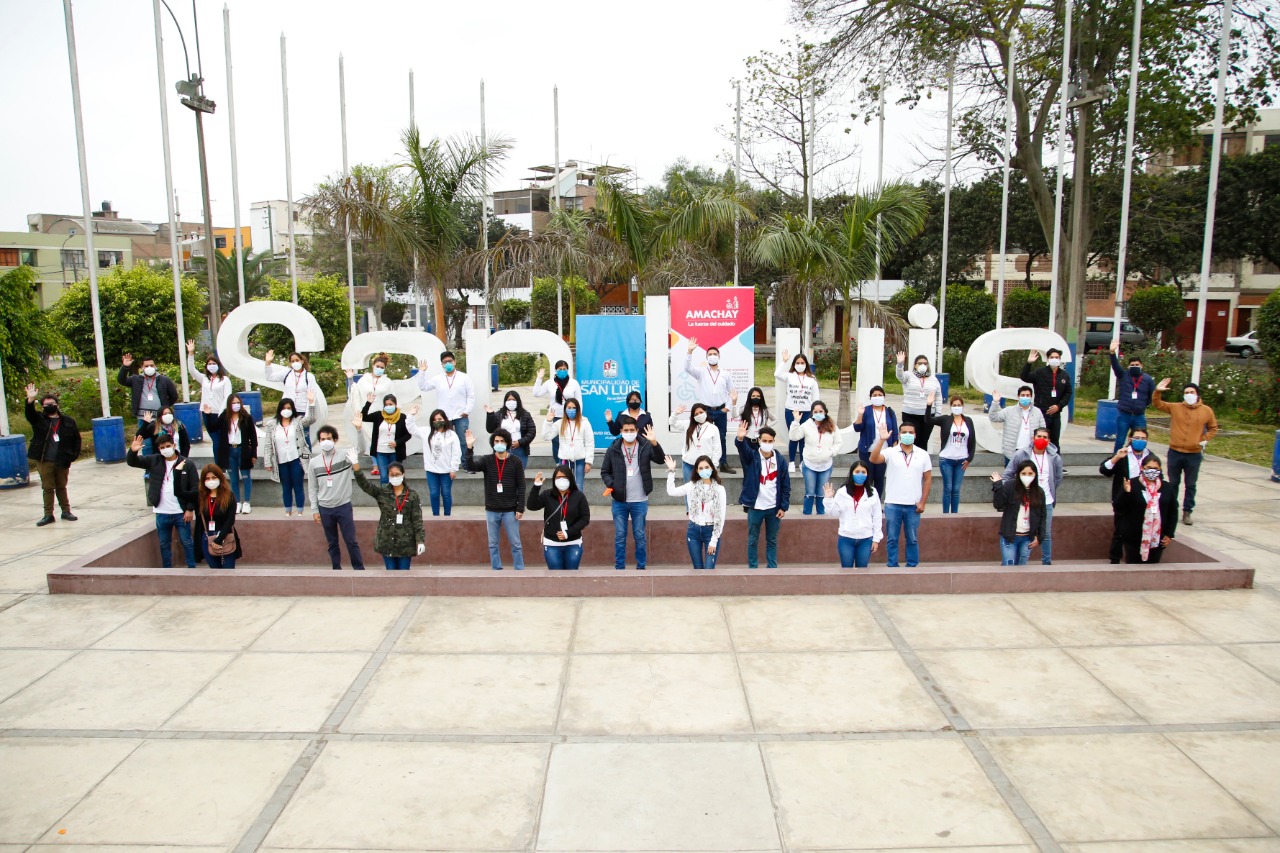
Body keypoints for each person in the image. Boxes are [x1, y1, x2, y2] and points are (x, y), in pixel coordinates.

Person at [600, 416, 668, 571]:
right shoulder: (613, 448)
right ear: (621, 431)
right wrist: (612, 484)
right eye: (626, 430)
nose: (629, 433)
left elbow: (660, 459)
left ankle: (641, 567)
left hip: (640, 500)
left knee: (639, 535)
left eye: (632, 430)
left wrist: (654, 442)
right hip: (619, 501)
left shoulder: (645, 446)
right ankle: (619, 567)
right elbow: (605, 471)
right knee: (620, 536)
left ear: (637, 430)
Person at [126, 431, 198, 568]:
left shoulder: (187, 463)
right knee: (164, 543)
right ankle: (167, 569)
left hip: (180, 512)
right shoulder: (155, 460)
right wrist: (133, 451)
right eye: (162, 448)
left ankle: (191, 567)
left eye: (167, 446)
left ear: (174, 445)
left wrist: (190, 508)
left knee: (186, 541)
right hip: (162, 511)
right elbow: (132, 462)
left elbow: (194, 487)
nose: (165, 449)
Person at [1153, 378, 1219, 526]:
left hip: (1194, 454)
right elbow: (1158, 404)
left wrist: (1204, 439)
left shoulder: (1206, 411)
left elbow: (1213, 427)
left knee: (1190, 484)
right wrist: (1157, 391)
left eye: (1192, 392)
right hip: (1175, 452)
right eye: (1186, 392)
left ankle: (1187, 511)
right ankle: (1171, 509)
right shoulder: (1176, 407)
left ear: (1198, 395)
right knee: (1173, 483)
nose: (1189, 395)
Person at [870, 421, 932, 568]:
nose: (907, 435)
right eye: (904, 432)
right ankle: (892, 565)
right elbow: (873, 458)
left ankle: (912, 566)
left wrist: (923, 502)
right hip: (893, 503)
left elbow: (928, 479)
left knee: (912, 538)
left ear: (915, 435)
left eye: (911, 432)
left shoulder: (922, 454)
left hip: (913, 505)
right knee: (892, 538)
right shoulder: (891, 452)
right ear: (899, 434)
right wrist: (882, 440)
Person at [464, 427, 526, 570]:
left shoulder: (516, 461)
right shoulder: (487, 460)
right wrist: (469, 448)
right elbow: (470, 466)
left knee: (516, 543)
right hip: (492, 509)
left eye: (502, 441)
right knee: (492, 544)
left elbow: (521, 486)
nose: (499, 443)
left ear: (507, 443)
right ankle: (496, 569)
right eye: (496, 441)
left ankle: (519, 569)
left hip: (510, 510)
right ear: (493, 443)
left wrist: (520, 506)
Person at [307, 424, 365, 571]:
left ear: (335, 440)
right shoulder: (314, 463)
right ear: (319, 442)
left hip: (343, 506)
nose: (325, 441)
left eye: (328, 438)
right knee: (332, 543)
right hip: (325, 508)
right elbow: (312, 488)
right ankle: (336, 569)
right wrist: (314, 509)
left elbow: (361, 450)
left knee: (351, 541)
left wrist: (359, 431)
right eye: (322, 439)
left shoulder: (344, 456)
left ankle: (359, 569)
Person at [1001, 427, 1063, 565]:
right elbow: (1007, 474)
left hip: (1045, 500)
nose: (1041, 439)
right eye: (1039, 436)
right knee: (1020, 530)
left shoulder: (1054, 457)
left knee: (1045, 533)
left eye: (1045, 437)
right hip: (1022, 500)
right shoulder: (1021, 454)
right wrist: (1012, 492)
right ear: (1032, 438)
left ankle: (1046, 562)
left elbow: (1058, 478)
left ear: (1049, 440)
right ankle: (1015, 560)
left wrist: (1048, 491)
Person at [353, 455, 426, 570]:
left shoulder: (412, 495)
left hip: (405, 543)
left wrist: (420, 540)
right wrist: (356, 467)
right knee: (390, 574)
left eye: (397, 474)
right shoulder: (382, 493)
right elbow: (365, 485)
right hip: (387, 541)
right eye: (392, 475)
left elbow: (417, 520)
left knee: (403, 574)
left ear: (403, 474)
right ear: (388, 476)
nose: (395, 477)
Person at [24, 384, 81, 527]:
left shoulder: (68, 421)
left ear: (57, 405)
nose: (49, 406)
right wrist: (30, 400)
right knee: (48, 488)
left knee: (62, 486)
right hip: (44, 460)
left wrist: (72, 456)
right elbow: (29, 414)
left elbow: (77, 439)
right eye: (45, 404)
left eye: (51, 404)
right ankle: (48, 514)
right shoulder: (39, 419)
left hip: (62, 460)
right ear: (42, 407)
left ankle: (66, 511)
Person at [735, 424, 790, 569]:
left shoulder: (779, 459)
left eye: (770, 441)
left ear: (773, 441)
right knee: (752, 539)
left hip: (773, 508)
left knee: (772, 540)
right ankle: (753, 567)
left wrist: (783, 506)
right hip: (756, 507)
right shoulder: (752, 457)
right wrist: (740, 439)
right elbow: (742, 449)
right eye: (764, 441)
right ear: (759, 440)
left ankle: (772, 567)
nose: (767, 444)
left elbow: (785, 484)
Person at [1099, 427, 1155, 563]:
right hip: (1124, 498)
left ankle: (1140, 558)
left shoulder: (1150, 456)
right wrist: (1116, 457)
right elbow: (1104, 470)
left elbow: (1158, 476)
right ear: (1130, 439)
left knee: (1141, 529)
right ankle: (1115, 559)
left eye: (1143, 439)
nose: (1139, 441)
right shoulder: (1123, 454)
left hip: (1143, 499)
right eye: (1136, 438)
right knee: (1120, 530)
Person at [665, 454, 727, 570]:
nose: (704, 470)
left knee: (709, 569)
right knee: (698, 569)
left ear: (712, 468)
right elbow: (671, 491)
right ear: (697, 471)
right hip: (694, 530)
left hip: (711, 531)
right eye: (701, 468)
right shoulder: (691, 486)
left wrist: (714, 540)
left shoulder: (719, 490)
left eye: (707, 467)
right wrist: (671, 471)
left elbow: (721, 516)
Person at [683, 336, 736, 472]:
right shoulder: (701, 372)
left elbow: (732, 392)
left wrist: (727, 408)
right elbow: (687, 368)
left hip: (720, 410)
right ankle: (702, 463)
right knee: (702, 437)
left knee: (722, 437)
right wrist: (690, 351)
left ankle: (723, 463)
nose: (712, 356)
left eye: (715, 354)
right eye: (710, 354)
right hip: (705, 411)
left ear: (719, 356)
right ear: (706, 357)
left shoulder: (725, 374)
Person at [527, 464, 591, 570]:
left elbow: (585, 518)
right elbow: (532, 506)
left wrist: (568, 532)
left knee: (571, 574)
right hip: (552, 543)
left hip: (573, 542)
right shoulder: (547, 495)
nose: (561, 480)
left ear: (570, 479)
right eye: (558, 477)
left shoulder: (579, 496)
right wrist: (536, 487)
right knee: (555, 575)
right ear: (554, 480)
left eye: (564, 477)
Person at [1115, 455, 1179, 564]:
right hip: (1134, 538)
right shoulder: (1132, 484)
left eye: (1156, 469)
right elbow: (1119, 508)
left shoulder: (1166, 487)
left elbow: (1173, 511)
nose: (1152, 471)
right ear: (1142, 468)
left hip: (1157, 539)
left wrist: (1169, 533)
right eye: (1149, 468)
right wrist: (1126, 493)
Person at [202, 393, 258, 514]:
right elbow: (212, 428)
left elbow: (253, 437)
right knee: (233, 479)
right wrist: (207, 415)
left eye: (238, 403)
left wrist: (253, 454)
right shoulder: (224, 417)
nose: (236, 405)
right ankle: (237, 502)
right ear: (229, 404)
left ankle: (247, 502)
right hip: (229, 450)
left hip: (242, 450)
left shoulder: (246, 417)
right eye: (233, 403)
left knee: (246, 476)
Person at [262, 393, 317, 517]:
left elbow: (312, 418)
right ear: (279, 409)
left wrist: (312, 402)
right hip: (281, 461)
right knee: (286, 486)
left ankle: (300, 511)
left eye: (289, 408)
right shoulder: (272, 425)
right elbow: (268, 445)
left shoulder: (297, 422)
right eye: (284, 408)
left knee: (298, 485)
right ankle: (287, 511)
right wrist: (268, 462)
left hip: (296, 459)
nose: (286, 411)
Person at [822, 462, 883, 569]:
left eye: (863, 472)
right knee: (846, 569)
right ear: (851, 473)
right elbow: (832, 512)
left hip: (866, 538)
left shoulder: (873, 492)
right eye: (857, 472)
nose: (860, 474)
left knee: (862, 570)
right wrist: (828, 499)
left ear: (867, 474)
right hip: (846, 538)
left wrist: (876, 539)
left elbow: (877, 516)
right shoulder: (842, 492)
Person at [990, 461, 1047, 566]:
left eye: (1030, 474)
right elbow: (998, 505)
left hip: (1027, 538)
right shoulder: (1010, 486)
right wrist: (998, 486)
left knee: (1021, 567)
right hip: (1010, 536)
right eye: (1023, 473)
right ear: (1018, 474)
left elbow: (1043, 516)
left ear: (1035, 475)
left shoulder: (1039, 492)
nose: (1027, 476)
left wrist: (1040, 536)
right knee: (1009, 565)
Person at [417, 351, 476, 452]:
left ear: (454, 362)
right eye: (445, 362)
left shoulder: (464, 377)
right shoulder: (438, 379)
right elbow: (423, 387)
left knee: (463, 441)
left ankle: (466, 465)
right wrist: (422, 372)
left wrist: (467, 411)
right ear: (442, 365)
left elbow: (471, 395)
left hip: (460, 415)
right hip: (444, 417)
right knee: (445, 442)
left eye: (450, 361)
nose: (448, 364)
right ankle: (448, 465)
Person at [788, 400, 839, 515]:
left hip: (825, 465)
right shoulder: (807, 425)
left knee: (822, 493)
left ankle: (821, 517)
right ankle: (807, 518)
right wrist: (796, 421)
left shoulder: (832, 425)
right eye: (815, 411)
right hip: (809, 464)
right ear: (812, 413)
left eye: (821, 411)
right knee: (810, 492)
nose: (818, 413)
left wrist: (831, 452)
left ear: (825, 412)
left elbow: (838, 442)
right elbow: (794, 436)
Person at [263, 350, 323, 447]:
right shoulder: (287, 373)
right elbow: (270, 377)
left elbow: (312, 396)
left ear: (302, 361)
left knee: (304, 439)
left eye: (297, 360)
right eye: (292, 361)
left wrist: (308, 414)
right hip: (288, 411)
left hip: (302, 412)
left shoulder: (309, 377)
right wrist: (268, 363)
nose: (295, 363)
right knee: (288, 438)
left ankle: (306, 460)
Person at [117, 354, 179, 447]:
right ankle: (149, 461)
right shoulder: (136, 379)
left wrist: (164, 407)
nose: (149, 367)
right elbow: (121, 380)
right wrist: (125, 366)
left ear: (155, 366)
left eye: (151, 365)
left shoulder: (164, 379)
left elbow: (174, 396)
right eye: (146, 366)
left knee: (162, 442)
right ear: (142, 367)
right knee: (147, 444)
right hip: (144, 418)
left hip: (160, 418)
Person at [408, 409, 461, 516]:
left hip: (447, 471)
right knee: (434, 494)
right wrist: (411, 415)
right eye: (435, 420)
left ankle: (447, 515)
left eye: (440, 419)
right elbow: (412, 429)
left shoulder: (452, 435)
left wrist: (453, 469)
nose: (437, 421)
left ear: (445, 419)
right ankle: (435, 516)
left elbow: (456, 452)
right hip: (431, 471)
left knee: (446, 493)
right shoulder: (426, 432)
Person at [187, 340, 233, 458]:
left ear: (218, 365)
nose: (212, 366)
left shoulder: (224, 380)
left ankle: (225, 463)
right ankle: (219, 466)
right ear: (207, 366)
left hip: (220, 413)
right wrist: (191, 354)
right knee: (215, 439)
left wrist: (222, 412)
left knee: (222, 439)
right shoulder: (204, 379)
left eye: (214, 364)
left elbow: (228, 397)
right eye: (209, 364)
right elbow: (192, 370)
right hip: (207, 413)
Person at [931, 393, 976, 513]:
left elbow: (972, 440)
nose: (957, 407)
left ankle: (955, 514)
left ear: (963, 406)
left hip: (962, 460)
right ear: (951, 406)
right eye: (954, 405)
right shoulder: (945, 419)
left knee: (956, 490)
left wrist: (969, 458)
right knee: (948, 488)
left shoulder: (968, 421)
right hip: (947, 459)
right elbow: (928, 420)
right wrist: (929, 405)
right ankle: (946, 514)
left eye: (959, 405)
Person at [1021, 348, 1073, 449]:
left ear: (1060, 359)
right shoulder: (1040, 372)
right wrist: (1028, 363)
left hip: (1056, 414)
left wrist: (1059, 406)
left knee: (1054, 442)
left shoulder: (1064, 375)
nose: (1054, 359)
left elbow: (1068, 392)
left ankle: (1054, 463)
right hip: (1041, 413)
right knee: (1039, 440)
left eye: (1056, 357)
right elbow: (1024, 377)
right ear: (1048, 359)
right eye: (1052, 357)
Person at [852, 386, 898, 499]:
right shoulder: (866, 410)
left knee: (879, 479)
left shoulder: (890, 412)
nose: (877, 397)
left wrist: (896, 450)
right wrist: (860, 415)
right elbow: (857, 428)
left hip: (883, 453)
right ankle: (864, 501)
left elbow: (895, 433)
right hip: (867, 452)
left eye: (880, 395)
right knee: (867, 478)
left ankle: (876, 503)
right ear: (870, 397)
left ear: (884, 397)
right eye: (874, 395)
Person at [1109, 341, 1156, 452]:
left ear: (1141, 366)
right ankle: (1116, 461)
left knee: (1139, 440)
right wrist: (1112, 352)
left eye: (1137, 365)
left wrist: (1142, 405)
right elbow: (1115, 365)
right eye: (1132, 365)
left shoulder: (1147, 379)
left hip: (1139, 416)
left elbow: (1151, 396)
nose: (1135, 366)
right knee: (1120, 440)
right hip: (1124, 414)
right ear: (1128, 366)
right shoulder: (1123, 375)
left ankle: (1137, 459)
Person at [346, 353, 395, 460]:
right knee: (369, 438)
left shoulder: (387, 382)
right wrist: (350, 379)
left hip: (381, 415)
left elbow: (393, 398)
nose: (379, 369)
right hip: (367, 413)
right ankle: (375, 463)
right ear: (373, 365)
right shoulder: (364, 380)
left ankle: (380, 462)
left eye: (382, 367)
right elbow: (355, 392)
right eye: (377, 366)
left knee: (380, 438)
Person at [361, 393, 418, 485]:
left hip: (395, 453)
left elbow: (408, 435)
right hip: (381, 452)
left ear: (395, 404)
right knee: (384, 477)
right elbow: (363, 417)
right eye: (386, 405)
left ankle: (398, 497)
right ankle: (385, 498)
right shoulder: (379, 415)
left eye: (390, 404)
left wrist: (397, 442)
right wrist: (368, 403)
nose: (388, 407)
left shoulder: (402, 417)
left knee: (396, 477)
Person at [776, 350, 819, 470]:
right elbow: (777, 374)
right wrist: (784, 361)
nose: (800, 364)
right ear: (794, 364)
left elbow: (816, 397)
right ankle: (791, 462)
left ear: (806, 364)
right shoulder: (789, 376)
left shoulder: (812, 379)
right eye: (798, 362)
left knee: (804, 437)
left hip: (806, 412)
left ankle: (802, 462)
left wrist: (815, 412)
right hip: (791, 411)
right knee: (793, 436)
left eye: (802, 362)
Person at [532, 360, 582, 460]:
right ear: (556, 370)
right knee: (555, 441)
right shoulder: (550, 383)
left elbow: (579, 401)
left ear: (567, 370)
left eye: (564, 369)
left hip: (570, 416)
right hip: (554, 416)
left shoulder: (573, 383)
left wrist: (578, 415)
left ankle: (569, 462)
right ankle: (558, 463)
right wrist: (539, 378)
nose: (562, 371)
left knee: (569, 440)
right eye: (560, 369)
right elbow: (536, 393)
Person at [895, 351, 942, 451]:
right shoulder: (908, 375)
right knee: (912, 440)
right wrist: (900, 364)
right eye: (920, 363)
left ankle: (921, 463)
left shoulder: (933, 379)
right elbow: (900, 376)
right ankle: (908, 462)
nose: (922, 365)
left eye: (925, 363)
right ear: (915, 365)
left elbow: (938, 397)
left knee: (923, 441)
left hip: (928, 415)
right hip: (910, 414)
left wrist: (938, 414)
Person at [542, 396, 594, 487]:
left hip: (580, 461)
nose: (571, 410)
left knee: (578, 486)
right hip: (564, 460)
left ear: (578, 409)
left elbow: (590, 443)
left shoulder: (585, 423)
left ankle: (577, 501)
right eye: (569, 408)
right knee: (564, 486)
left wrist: (589, 462)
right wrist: (548, 421)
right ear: (565, 409)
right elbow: (546, 436)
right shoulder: (560, 423)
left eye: (574, 408)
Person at [197, 464, 241, 569]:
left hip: (225, 536)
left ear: (219, 478)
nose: (211, 481)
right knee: (214, 571)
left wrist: (219, 539)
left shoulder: (228, 495)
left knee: (228, 571)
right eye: (207, 478)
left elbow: (230, 519)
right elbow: (180, 492)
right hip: (207, 537)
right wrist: (178, 471)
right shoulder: (201, 496)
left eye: (213, 477)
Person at [989, 386, 1046, 465]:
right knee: (1011, 476)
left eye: (1027, 395)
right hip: (1012, 452)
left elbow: (1043, 430)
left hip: (1031, 451)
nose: (1025, 397)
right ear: (1018, 397)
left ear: (1031, 397)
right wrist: (995, 402)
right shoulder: (1009, 411)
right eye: (1023, 395)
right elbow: (994, 417)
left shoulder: (1037, 412)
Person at [671, 403, 722, 482]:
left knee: (704, 491)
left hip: (705, 466)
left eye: (701, 412)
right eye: (696, 414)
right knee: (688, 491)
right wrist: (675, 413)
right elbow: (672, 423)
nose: (699, 415)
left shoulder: (713, 428)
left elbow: (717, 449)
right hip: (688, 464)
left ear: (706, 412)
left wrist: (713, 466)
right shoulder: (687, 424)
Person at [485, 390, 537, 466]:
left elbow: (532, 432)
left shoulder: (525, 414)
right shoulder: (499, 414)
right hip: (502, 448)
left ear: (518, 401)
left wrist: (520, 442)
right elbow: (490, 429)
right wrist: (490, 415)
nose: (511, 402)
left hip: (519, 449)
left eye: (514, 400)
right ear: (505, 401)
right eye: (509, 400)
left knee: (519, 473)